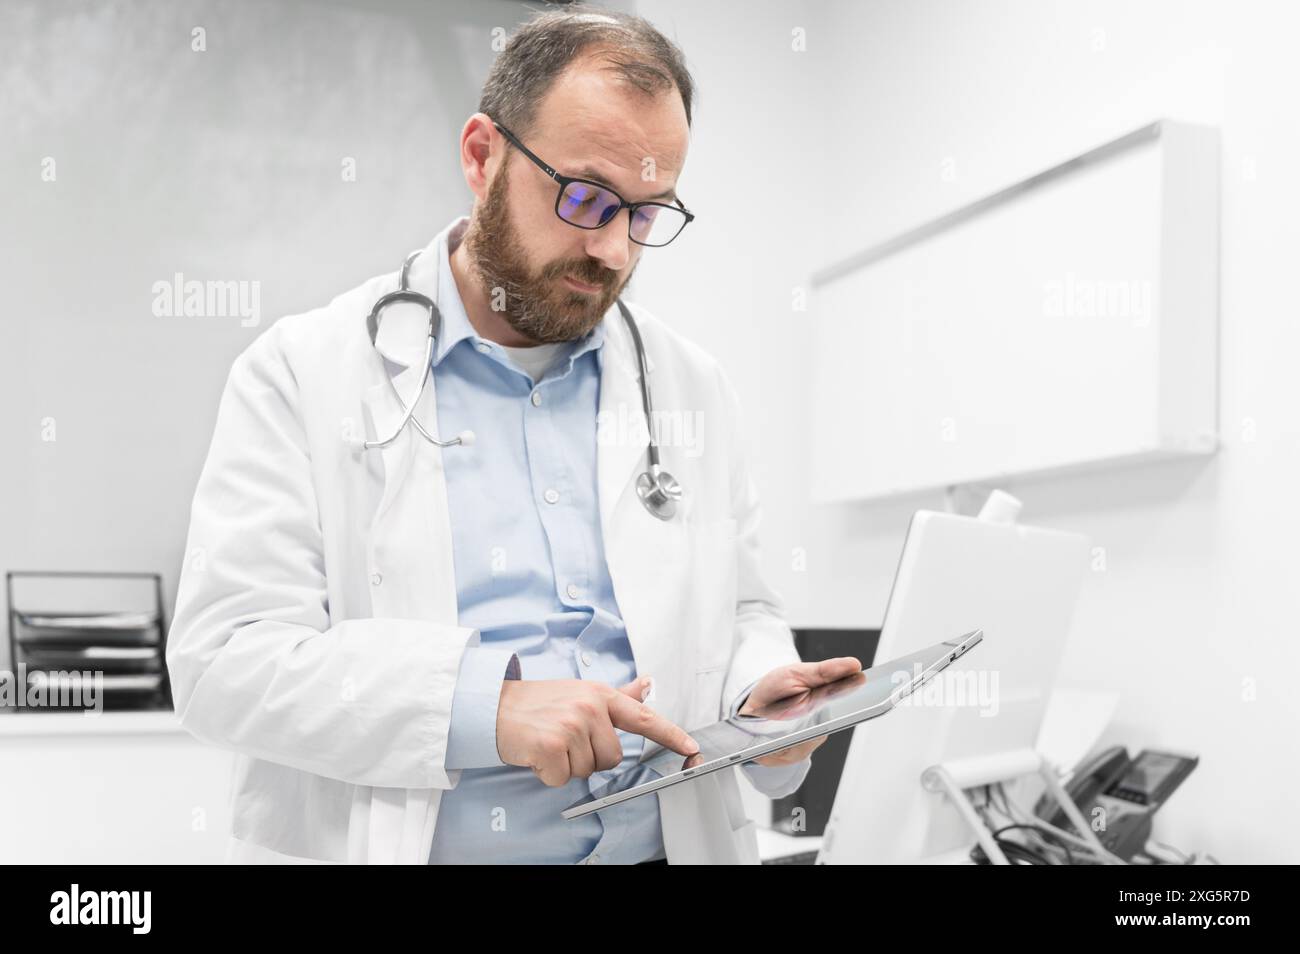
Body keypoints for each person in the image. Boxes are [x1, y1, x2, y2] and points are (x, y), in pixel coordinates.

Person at [167, 5, 860, 865]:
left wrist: (763, 688)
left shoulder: (690, 387)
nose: (612, 249)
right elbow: (224, 661)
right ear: (481, 156)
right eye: (584, 197)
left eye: (646, 214)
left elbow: (743, 604)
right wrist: (484, 707)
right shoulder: (302, 371)